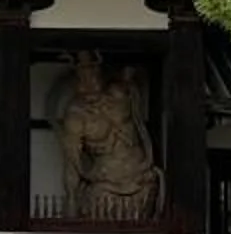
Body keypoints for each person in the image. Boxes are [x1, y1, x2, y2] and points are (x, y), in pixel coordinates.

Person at [57, 52, 158, 219]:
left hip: (139, 172)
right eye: (83, 77)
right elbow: (72, 163)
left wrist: (128, 74)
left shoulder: (118, 94)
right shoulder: (76, 114)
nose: (89, 83)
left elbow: (130, 83)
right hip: (105, 180)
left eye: (93, 74)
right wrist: (71, 200)